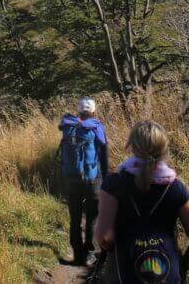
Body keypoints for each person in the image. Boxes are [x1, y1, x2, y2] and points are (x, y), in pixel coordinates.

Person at [94, 121, 189, 283]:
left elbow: (104, 238)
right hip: (167, 274)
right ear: (165, 149)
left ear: (132, 146)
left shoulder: (113, 184)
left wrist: (118, 248)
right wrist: (181, 267)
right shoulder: (176, 188)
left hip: (123, 274)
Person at [59, 96, 109, 265]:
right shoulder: (97, 127)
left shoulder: (69, 126)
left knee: (75, 216)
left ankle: (76, 253)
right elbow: (104, 154)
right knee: (92, 216)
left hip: (71, 179)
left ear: (79, 110)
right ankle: (90, 253)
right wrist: (106, 178)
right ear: (94, 111)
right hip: (93, 178)